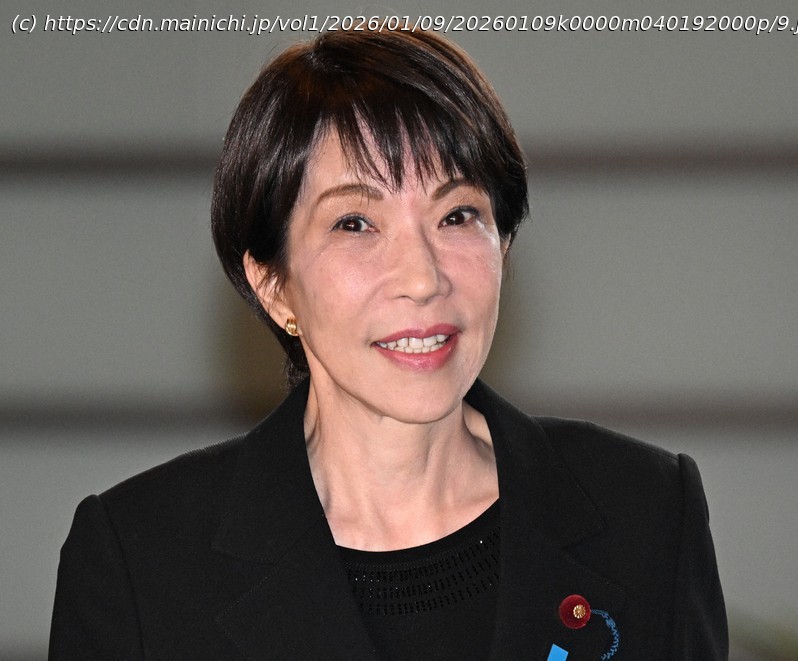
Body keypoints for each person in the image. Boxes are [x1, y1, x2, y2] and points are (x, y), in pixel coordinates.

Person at [49, 29, 727, 660]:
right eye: (355, 223)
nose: (422, 278)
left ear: (503, 243)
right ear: (274, 286)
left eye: (457, 215)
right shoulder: (140, 561)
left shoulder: (646, 511)